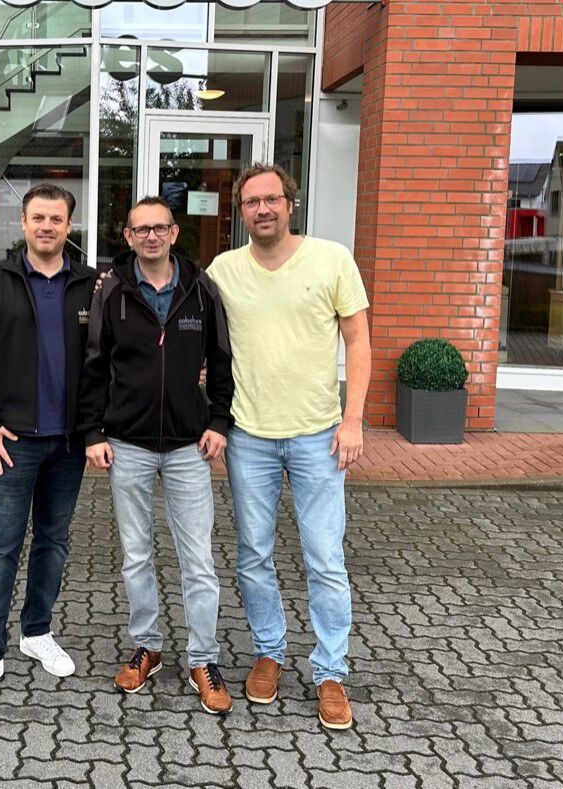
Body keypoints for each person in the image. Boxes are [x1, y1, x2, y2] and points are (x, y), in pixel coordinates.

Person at [206, 163, 371, 731]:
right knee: (253, 554)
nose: (263, 209)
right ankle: (269, 651)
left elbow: (359, 340)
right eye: (252, 202)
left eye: (271, 199)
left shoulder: (331, 259)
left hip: (318, 436)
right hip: (248, 435)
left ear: (289, 203)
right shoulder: (224, 270)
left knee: (324, 557)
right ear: (241, 212)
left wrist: (354, 420)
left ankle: (330, 671)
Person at [79, 197, 235, 715]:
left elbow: (221, 359)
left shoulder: (201, 289)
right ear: (128, 236)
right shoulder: (113, 290)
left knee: (199, 560)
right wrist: (93, 431)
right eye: (141, 229)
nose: (151, 236)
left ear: (173, 233)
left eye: (159, 228)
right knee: (136, 554)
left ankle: (203, 659)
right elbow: (94, 365)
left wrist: (218, 422)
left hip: (189, 446)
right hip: (128, 443)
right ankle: (147, 646)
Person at [0, 183, 98, 705]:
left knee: (53, 541)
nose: (47, 226)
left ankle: (36, 632)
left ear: (69, 226)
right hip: (13, 443)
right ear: (23, 223)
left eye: (56, 219)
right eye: (38, 218)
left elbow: (105, 361)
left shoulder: (89, 285)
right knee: (0, 547)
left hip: (68, 444)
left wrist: (94, 430)